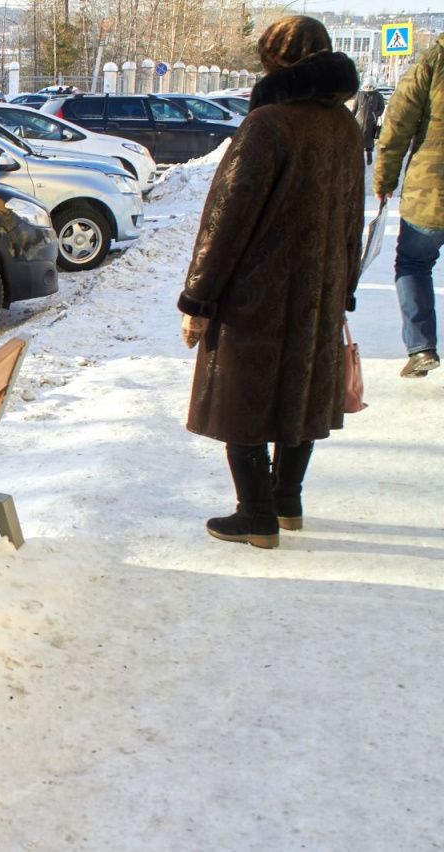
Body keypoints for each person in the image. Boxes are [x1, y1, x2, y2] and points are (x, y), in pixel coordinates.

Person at [178, 16, 363, 549]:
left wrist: (199, 294)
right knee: (298, 395)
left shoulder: (268, 124)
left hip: (256, 291)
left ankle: (254, 514)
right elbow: (353, 217)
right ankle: (287, 502)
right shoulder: (344, 128)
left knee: (243, 397)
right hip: (318, 291)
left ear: (275, 61)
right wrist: (342, 285)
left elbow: (226, 218)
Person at [375, 31, 444, 379]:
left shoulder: (430, 63)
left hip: (430, 188)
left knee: (414, 263)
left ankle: (421, 348)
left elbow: (397, 125)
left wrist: (384, 180)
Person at [354, 80, 385, 165]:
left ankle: (369, 156)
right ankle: (358, 158)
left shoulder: (378, 95)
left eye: (370, 86)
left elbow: (381, 108)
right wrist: (352, 117)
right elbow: (355, 107)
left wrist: (375, 114)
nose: (368, 88)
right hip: (359, 120)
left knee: (369, 140)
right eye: (367, 86)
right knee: (358, 139)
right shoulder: (360, 94)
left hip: (371, 121)